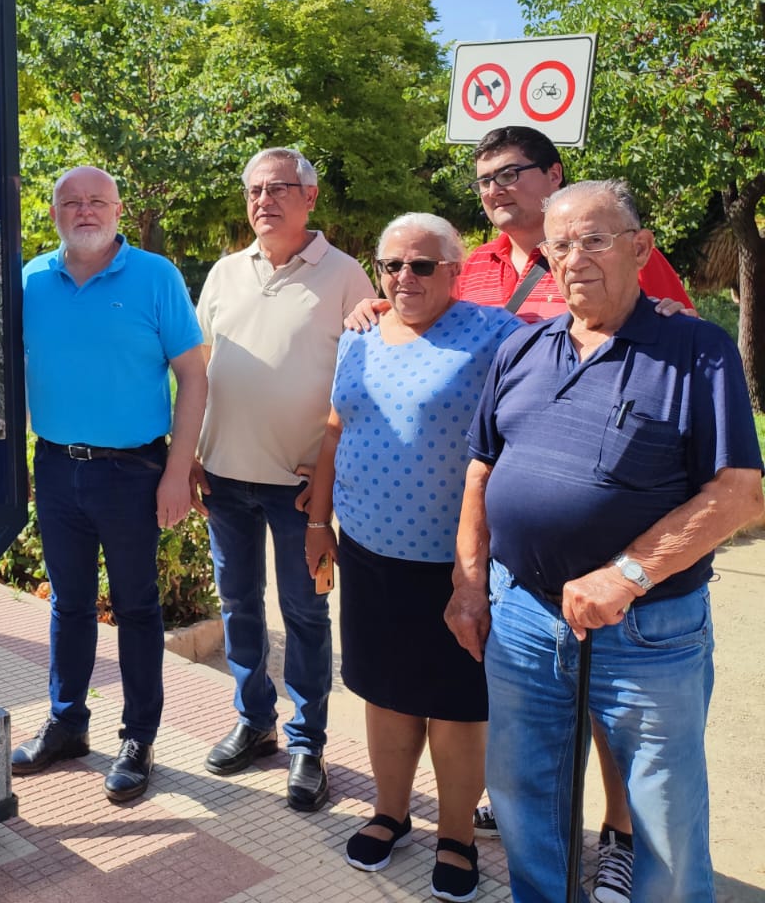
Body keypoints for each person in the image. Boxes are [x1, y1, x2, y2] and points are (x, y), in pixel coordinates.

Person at [346, 126, 692, 900]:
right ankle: (526, 838)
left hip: (614, 532)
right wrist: (384, 302)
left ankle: (621, 838)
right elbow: (436, 323)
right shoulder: (480, 267)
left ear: (554, 174)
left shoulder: (618, 247)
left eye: (512, 174)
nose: (497, 190)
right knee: (530, 695)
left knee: (612, 700)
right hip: (508, 536)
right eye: (484, 181)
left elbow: (670, 348)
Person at [447, 180, 763, 903]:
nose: (574, 257)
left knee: (662, 816)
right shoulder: (522, 348)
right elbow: (480, 471)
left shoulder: (697, 350)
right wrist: (468, 586)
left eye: (595, 239)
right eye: (559, 244)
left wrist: (626, 573)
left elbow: (739, 494)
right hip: (523, 618)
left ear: (640, 249)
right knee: (525, 797)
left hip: (648, 629)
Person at [308, 213, 520, 901]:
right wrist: (318, 520)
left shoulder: (497, 335)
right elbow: (336, 430)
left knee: (459, 706)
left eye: (422, 266)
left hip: (455, 562)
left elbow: (573, 344)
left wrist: (655, 312)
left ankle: (455, 834)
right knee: (386, 694)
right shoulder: (359, 335)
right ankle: (390, 812)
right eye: (392, 265)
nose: (405, 278)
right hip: (371, 554)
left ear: (455, 272)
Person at [14, 165, 207, 803]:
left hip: (133, 471)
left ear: (119, 210)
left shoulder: (156, 278)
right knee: (68, 605)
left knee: (136, 608)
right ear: (54, 214)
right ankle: (67, 723)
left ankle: (139, 737)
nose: (85, 211)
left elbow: (195, 379)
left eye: (98, 201)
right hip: (58, 466)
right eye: (72, 202)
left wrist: (178, 473)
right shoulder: (31, 281)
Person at [192, 147, 374, 811]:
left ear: (310, 198)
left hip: (300, 490)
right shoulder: (223, 272)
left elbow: (368, 386)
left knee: (302, 612)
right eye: (255, 191)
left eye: (279, 189)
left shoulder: (348, 277)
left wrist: (331, 473)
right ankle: (254, 722)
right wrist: (188, 453)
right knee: (239, 605)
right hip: (222, 478)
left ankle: (307, 743)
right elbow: (198, 369)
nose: (264, 200)